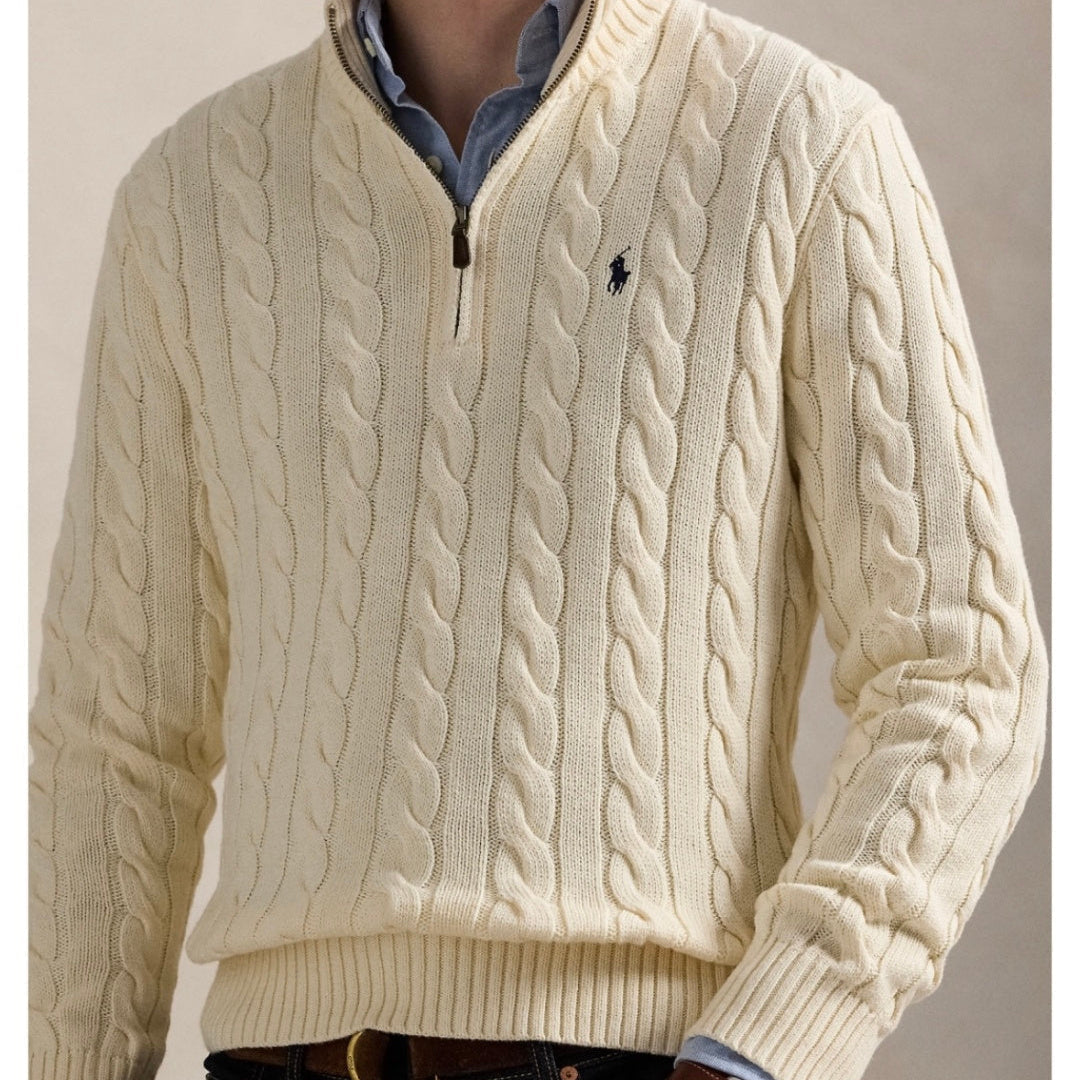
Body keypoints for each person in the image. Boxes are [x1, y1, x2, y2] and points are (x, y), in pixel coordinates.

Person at [27, 1, 1049, 1080]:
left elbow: (964, 665)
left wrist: (770, 1045)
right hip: (276, 1052)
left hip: (637, 1054)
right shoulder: (189, 196)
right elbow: (114, 735)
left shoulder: (801, 140)